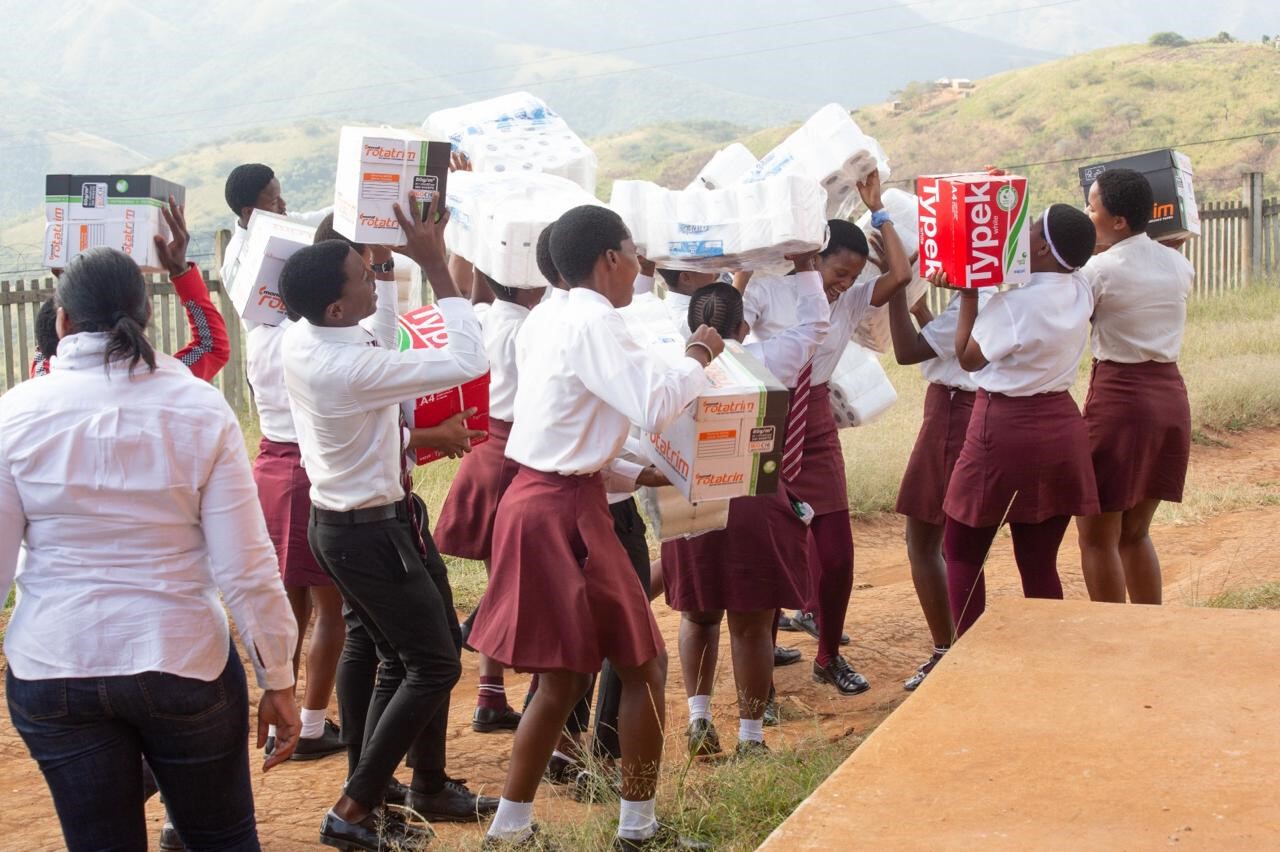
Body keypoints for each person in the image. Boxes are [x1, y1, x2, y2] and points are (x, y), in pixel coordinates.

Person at [1, 245, 300, 851]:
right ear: (145, 316)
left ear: (60, 322)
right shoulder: (197, 407)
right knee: (222, 840)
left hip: (53, 664)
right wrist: (279, 677)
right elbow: (245, 566)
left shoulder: (16, 414)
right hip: (181, 658)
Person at [469, 204, 723, 849]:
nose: (639, 265)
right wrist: (700, 353)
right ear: (610, 258)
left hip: (543, 496)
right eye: (633, 251)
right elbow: (655, 402)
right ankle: (637, 829)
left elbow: (566, 426)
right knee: (644, 665)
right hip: (566, 509)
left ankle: (510, 828)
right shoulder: (593, 318)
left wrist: (638, 475)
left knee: (564, 677)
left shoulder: (547, 316)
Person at [279, 196, 495, 849]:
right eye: (364, 274)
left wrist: (394, 261)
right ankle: (353, 808)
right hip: (368, 533)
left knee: (395, 653)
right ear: (339, 307)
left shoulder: (314, 333)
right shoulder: (346, 366)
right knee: (432, 663)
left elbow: (386, 328)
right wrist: (433, 263)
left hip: (372, 522)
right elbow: (466, 359)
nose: (375, 277)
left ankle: (421, 785)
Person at [742, 172, 913, 696]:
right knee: (770, 546)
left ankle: (828, 655)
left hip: (815, 421)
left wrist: (878, 208)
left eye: (852, 276)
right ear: (814, 258)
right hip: (765, 419)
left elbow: (902, 275)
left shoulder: (852, 300)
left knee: (836, 551)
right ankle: (761, 670)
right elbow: (732, 341)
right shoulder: (769, 291)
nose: (843, 284)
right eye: (839, 271)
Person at [663, 268, 829, 758]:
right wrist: (803, 267)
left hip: (690, 500)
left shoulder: (675, 369)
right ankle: (751, 737)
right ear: (744, 328)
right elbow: (814, 325)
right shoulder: (765, 357)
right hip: (754, 495)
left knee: (698, 615)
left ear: (692, 329)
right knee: (753, 625)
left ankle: (699, 719)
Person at [942, 203, 1100, 637]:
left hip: (1004, 428)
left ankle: (968, 657)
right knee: (1038, 558)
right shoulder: (1080, 288)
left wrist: (970, 294)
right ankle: (1046, 659)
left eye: (1029, 230)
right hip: (1061, 429)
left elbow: (969, 359)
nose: (1020, 235)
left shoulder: (1014, 305)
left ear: (1044, 249)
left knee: (961, 549)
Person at [433, 258, 546, 735]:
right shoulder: (534, 331)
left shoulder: (483, 318)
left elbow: (472, 297)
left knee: (497, 576)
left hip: (484, 447)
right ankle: (538, 695)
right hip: (520, 452)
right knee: (534, 580)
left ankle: (490, 697)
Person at [1076, 168, 1195, 605]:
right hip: (1170, 400)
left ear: (1119, 220)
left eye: (1092, 207)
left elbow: (1072, 324)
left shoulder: (1099, 270)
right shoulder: (1180, 265)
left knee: (1095, 534)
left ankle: (1112, 641)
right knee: (1136, 531)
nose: (1088, 214)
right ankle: (1150, 632)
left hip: (1120, 402)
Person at [887, 277, 994, 689]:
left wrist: (896, 287)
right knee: (953, 540)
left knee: (924, 540)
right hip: (966, 409)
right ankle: (961, 642)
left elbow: (906, 352)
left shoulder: (978, 296)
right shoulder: (994, 294)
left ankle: (947, 649)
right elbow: (953, 350)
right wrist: (920, 312)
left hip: (951, 415)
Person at [32, 198, 229, 382]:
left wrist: (76, 285)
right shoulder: (169, 376)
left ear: (63, 322)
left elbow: (42, 358)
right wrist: (180, 271)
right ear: (148, 310)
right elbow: (211, 347)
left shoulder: (41, 387)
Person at [220, 163, 331, 286]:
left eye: (280, 197)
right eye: (274, 202)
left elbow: (320, 218)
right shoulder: (236, 263)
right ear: (249, 212)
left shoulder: (282, 221)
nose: (283, 204)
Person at [655, 267, 720, 338]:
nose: (717, 274)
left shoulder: (660, 308)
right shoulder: (690, 321)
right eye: (707, 266)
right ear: (686, 277)